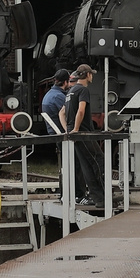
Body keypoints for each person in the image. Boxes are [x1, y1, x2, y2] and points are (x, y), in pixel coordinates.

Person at [64, 65, 104, 207]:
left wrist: (68, 130)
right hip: (83, 133)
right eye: (91, 74)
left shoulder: (70, 91)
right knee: (97, 160)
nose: (92, 76)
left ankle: (96, 197)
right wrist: (76, 128)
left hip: (75, 135)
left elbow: (62, 113)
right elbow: (81, 111)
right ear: (87, 75)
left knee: (86, 165)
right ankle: (102, 197)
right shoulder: (83, 90)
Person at [40, 68, 70, 135]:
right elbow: (68, 114)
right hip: (61, 134)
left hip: (53, 132)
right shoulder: (58, 96)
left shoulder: (49, 94)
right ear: (65, 82)